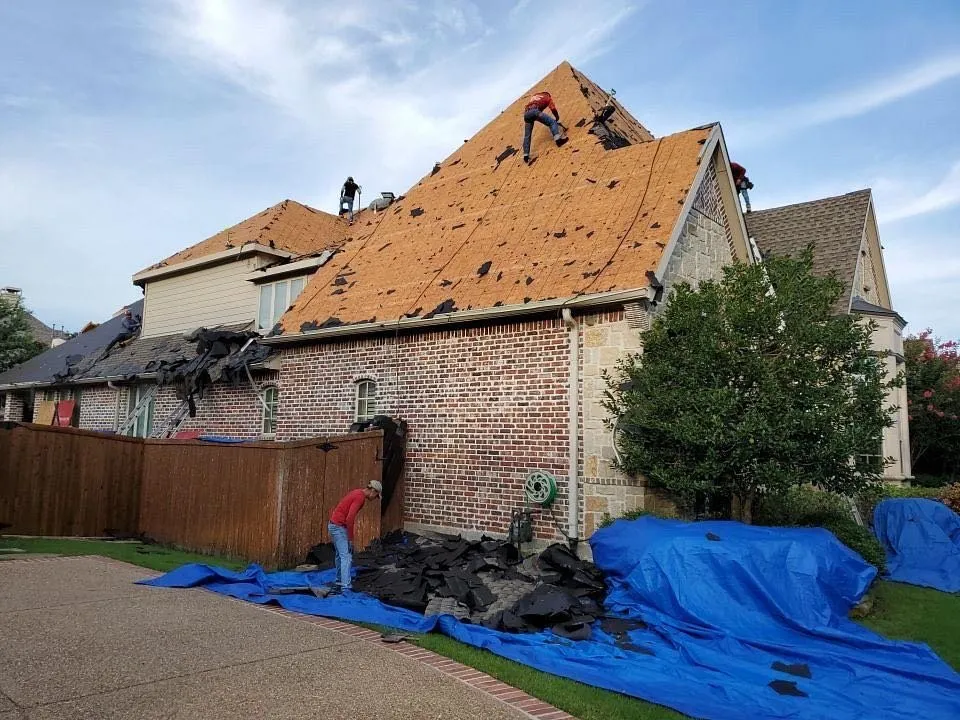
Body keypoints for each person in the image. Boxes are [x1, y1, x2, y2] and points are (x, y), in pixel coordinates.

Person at [327, 480, 382, 593]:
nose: (374, 498)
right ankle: (345, 586)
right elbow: (350, 518)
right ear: (373, 490)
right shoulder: (360, 497)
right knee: (346, 557)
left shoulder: (357, 492)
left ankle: (339, 580)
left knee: (339, 555)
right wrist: (350, 538)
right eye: (376, 495)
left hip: (333, 524)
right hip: (338, 526)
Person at [522, 91, 567, 163]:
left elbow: (532, 106)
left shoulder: (535, 95)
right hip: (535, 112)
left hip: (526, 114)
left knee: (527, 135)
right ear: (548, 94)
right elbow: (553, 109)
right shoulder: (547, 97)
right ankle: (558, 140)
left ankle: (526, 155)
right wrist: (557, 117)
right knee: (552, 122)